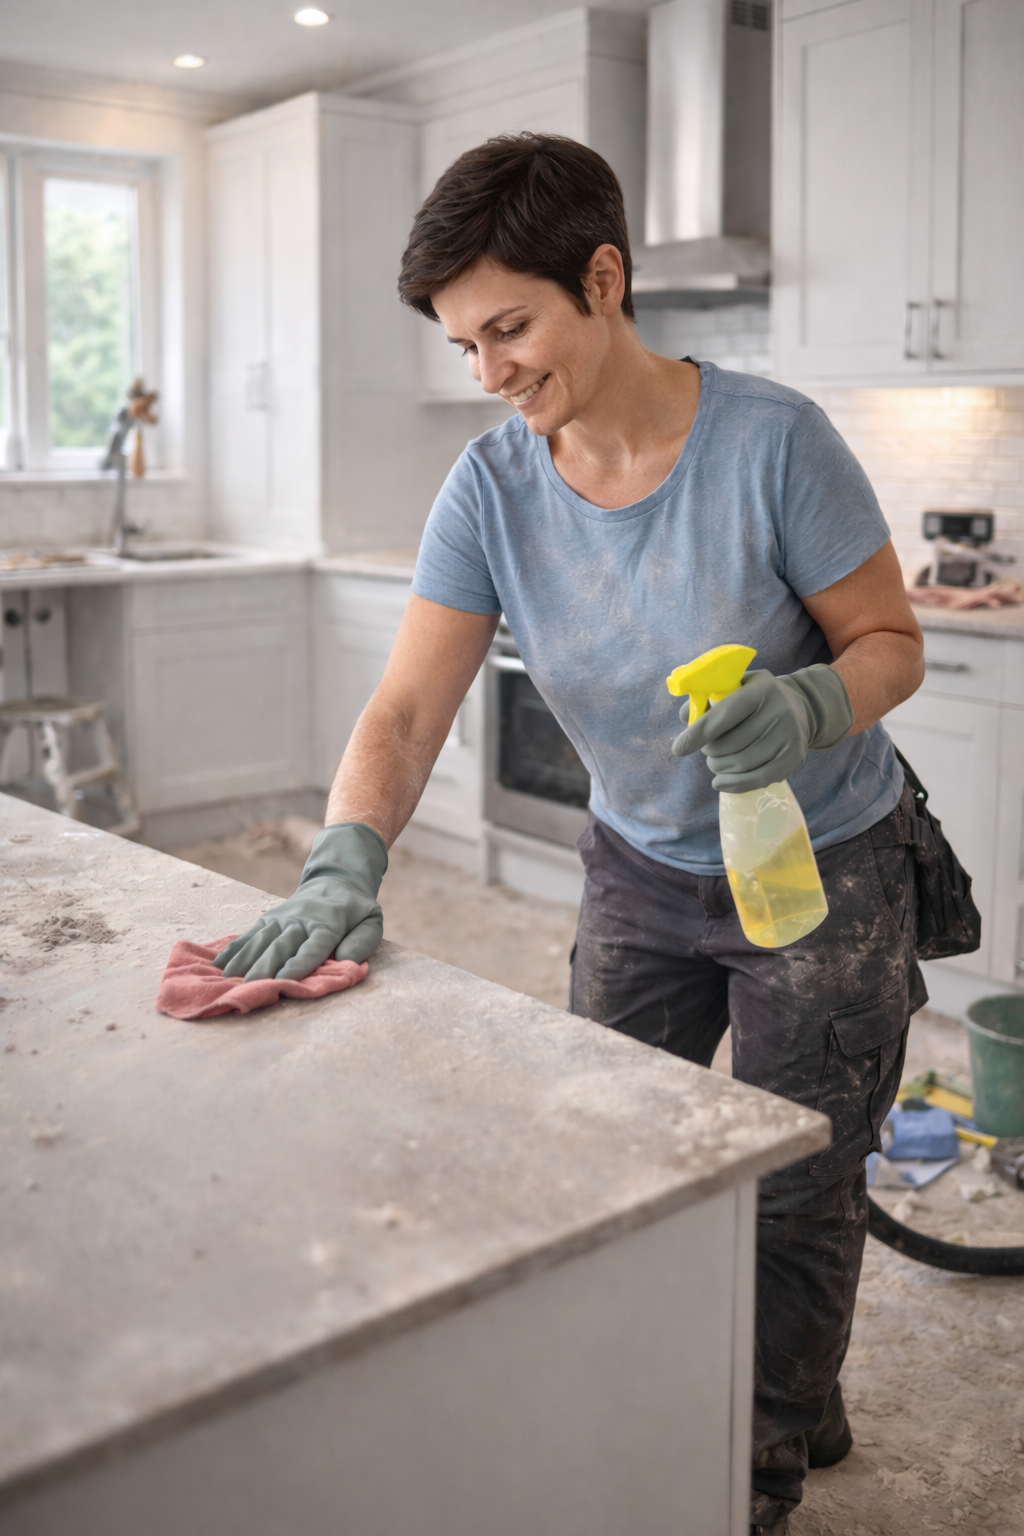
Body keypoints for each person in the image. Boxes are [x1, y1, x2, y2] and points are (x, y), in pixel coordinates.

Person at [214, 134, 927, 1533]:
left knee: (796, 1181)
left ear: (602, 280)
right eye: (464, 345)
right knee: (604, 1150)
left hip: (822, 870)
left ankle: (761, 1463)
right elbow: (411, 706)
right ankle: (697, 1386)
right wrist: (342, 856)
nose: (488, 375)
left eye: (508, 328)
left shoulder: (774, 445)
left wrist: (810, 703)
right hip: (638, 874)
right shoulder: (492, 487)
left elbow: (893, 647)